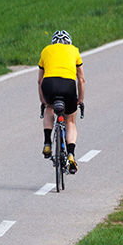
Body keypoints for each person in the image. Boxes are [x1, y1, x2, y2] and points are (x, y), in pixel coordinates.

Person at [38, 30, 85, 174]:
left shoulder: (46, 50)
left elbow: (40, 80)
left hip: (49, 84)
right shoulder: (74, 50)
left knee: (49, 109)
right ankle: (71, 154)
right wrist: (80, 99)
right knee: (70, 121)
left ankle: (47, 142)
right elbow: (81, 80)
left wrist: (43, 101)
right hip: (68, 86)